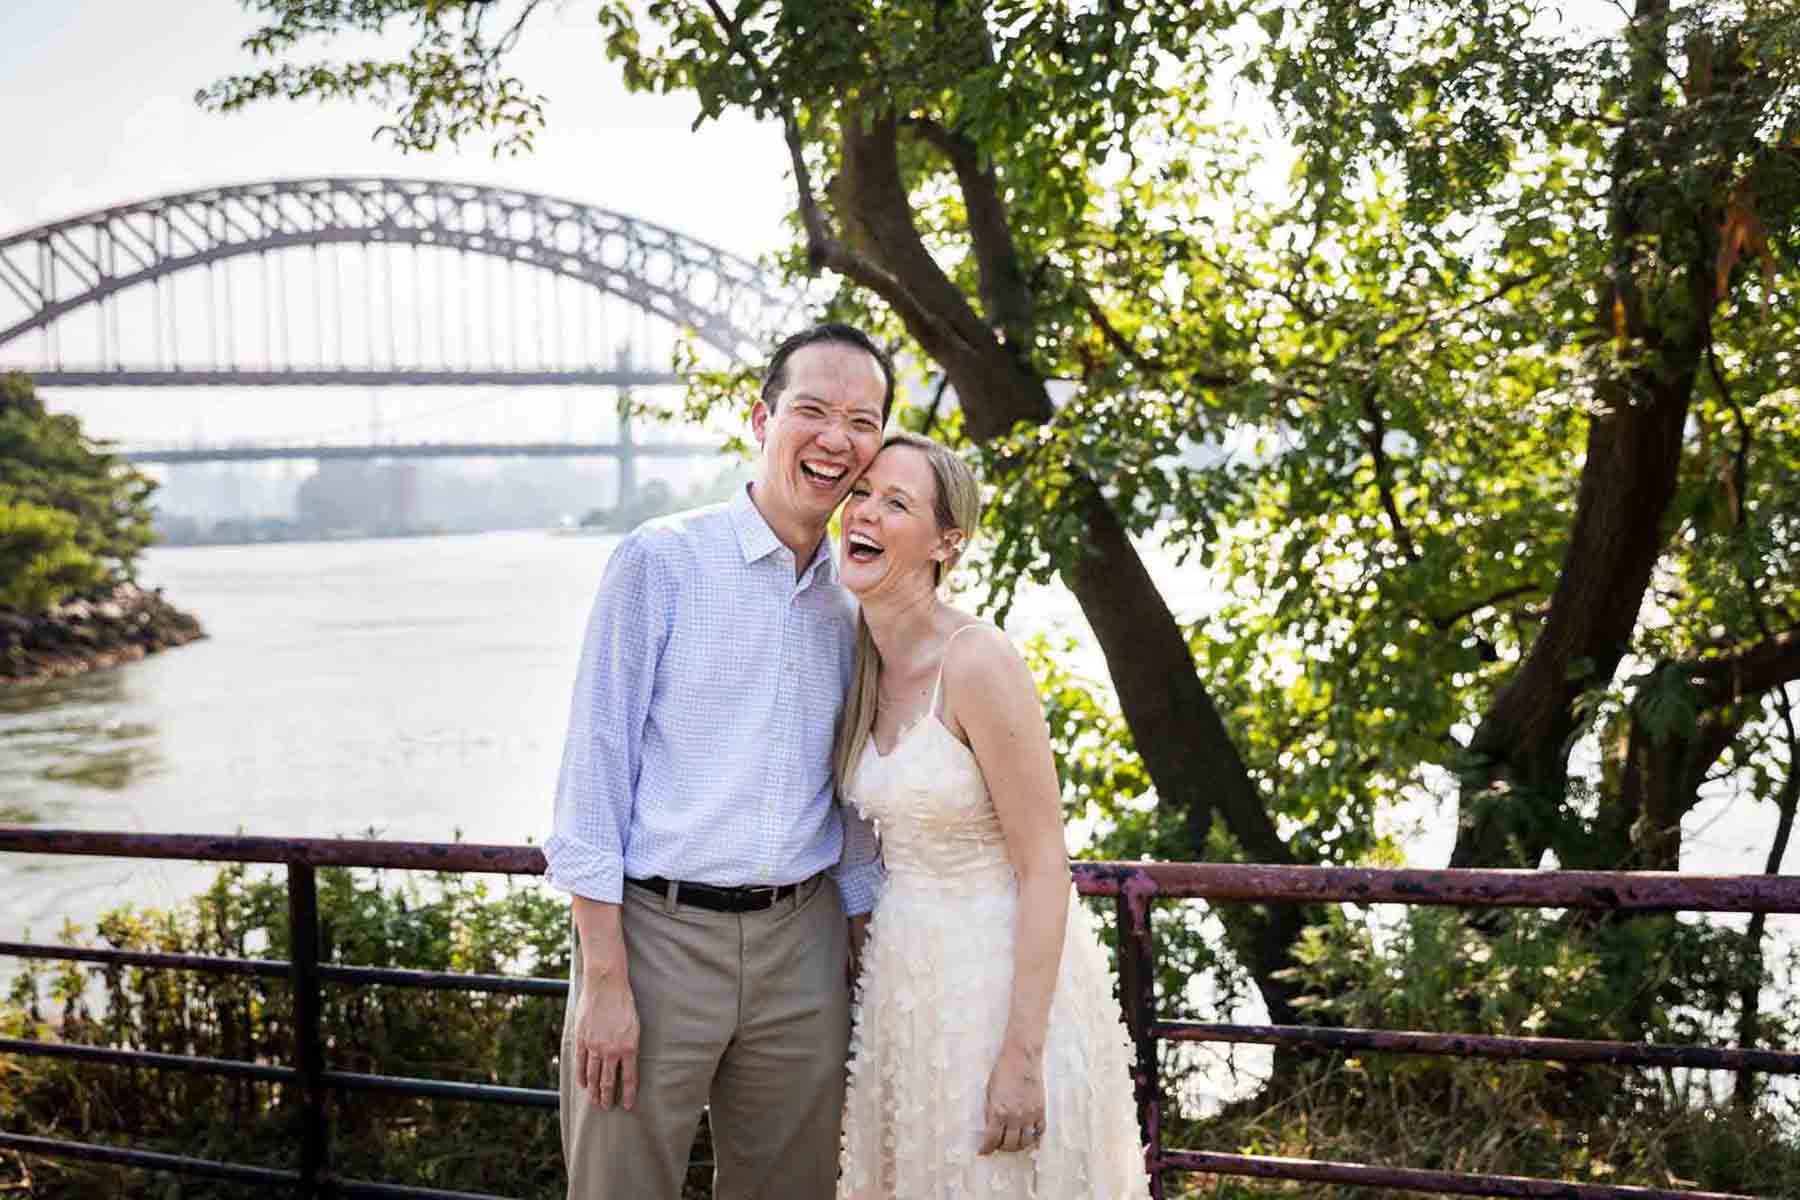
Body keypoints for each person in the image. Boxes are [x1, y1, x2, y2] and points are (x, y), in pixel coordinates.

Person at [544, 323, 892, 1200]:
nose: (836, 439)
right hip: (656, 939)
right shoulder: (660, 562)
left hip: (802, 945)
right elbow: (593, 776)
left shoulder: (861, 600)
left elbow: (853, 792)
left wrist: (858, 930)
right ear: (761, 418)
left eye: (862, 421)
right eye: (812, 411)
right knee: (623, 1185)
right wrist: (606, 981)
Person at [834, 431, 1149, 1199]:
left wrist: (1021, 1056)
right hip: (905, 983)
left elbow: (1046, 866)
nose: (865, 514)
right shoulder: (857, 656)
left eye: (896, 502)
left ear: (948, 541)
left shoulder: (977, 660)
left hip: (998, 987)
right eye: (863, 495)